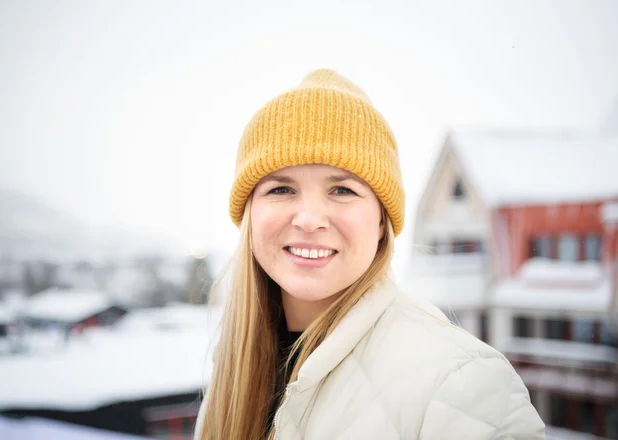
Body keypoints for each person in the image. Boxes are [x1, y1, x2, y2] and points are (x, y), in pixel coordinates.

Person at [194, 69, 545, 440]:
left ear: (381, 222)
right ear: (249, 214)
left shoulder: (462, 382)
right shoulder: (232, 369)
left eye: (342, 190)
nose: (310, 219)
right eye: (281, 189)